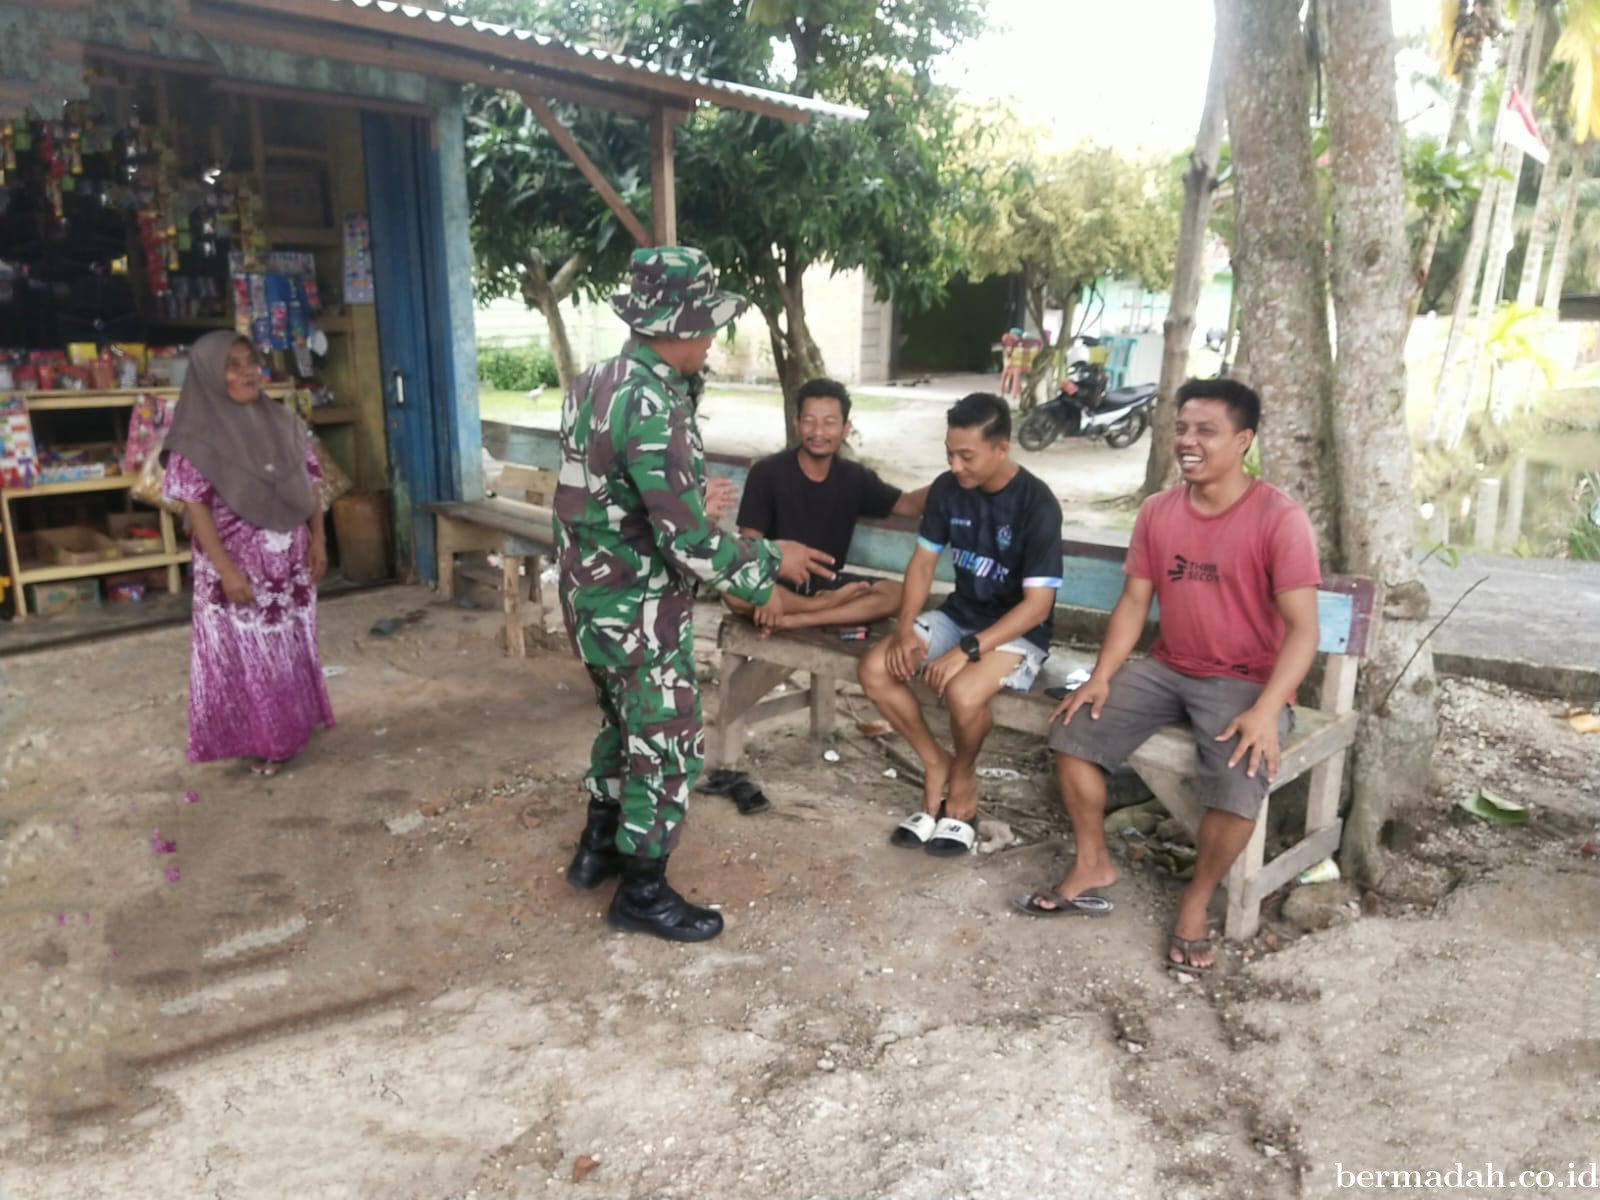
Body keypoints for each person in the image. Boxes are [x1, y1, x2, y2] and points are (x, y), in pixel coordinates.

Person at [554, 245, 835, 944]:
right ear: (677, 325)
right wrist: (771, 559)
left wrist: (683, 504)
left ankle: (597, 850)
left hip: (590, 599)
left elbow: (609, 494)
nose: (713, 336)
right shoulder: (655, 403)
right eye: (706, 322)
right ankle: (642, 892)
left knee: (622, 725)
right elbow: (685, 542)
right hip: (639, 610)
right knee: (668, 745)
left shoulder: (596, 380)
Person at [1024, 377, 1320, 976]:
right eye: (1182, 428)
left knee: (1240, 776)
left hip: (1247, 682)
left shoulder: (1279, 519)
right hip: (1168, 668)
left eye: (1206, 431)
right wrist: (1101, 676)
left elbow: (1304, 630)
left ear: (1243, 441)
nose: (1188, 441)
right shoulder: (1159, 510)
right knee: (1072, 730)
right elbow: (1135, 603)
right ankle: (1093, 861)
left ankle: (1195, 899)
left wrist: (1267, 709)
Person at [858, 392, 1063, 857]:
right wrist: (905, 629)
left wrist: (967, 650)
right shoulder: (948, 489)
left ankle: (965, 776)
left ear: (1001, 449)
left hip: (1018, 632)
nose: (955, 465)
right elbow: (923, 563)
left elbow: (1037, 607)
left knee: (964, 693)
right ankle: (936, 763)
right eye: (949, 453)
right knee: (875, 668)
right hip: (960, 615)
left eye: (967, 456)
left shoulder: (1037, 504)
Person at [162, 330, 333, 776]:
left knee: (289, 647)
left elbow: (311, 481)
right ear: (208, 374)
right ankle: (265, 739)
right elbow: (194, 505)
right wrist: (226, 570)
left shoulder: (282, 420)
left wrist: (318, 538)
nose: (247, 373)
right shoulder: (196, 436)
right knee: (245, 654)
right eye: (232, 366)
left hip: (291, 565)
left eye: (251, 362)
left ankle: (286, 732)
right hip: (236, 569)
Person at [725, 377, 926, 632]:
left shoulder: (855, 477)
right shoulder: (767, 472)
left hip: (830, 583)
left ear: (845, 428)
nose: (818, 432)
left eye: (830, 422)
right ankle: (820, 608)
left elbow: (909, 505)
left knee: (898, 593)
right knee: (734, 594)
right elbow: (750, 545)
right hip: (777, 581)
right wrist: (765, 588)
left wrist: (951, 482)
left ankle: (802, 618)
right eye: (809, 421)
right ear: (797, 424)